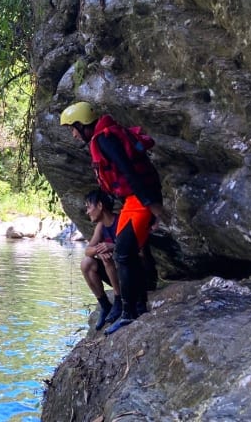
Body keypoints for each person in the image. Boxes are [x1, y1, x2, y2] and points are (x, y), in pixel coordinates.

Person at [60, 101, 168, 335]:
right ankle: (135, 307)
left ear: (82, 124)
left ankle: (130, 313)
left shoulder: (104, 139)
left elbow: (128, 169)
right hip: (134, 199)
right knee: (125, 252)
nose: (73, 134)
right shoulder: (103, 138)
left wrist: (152, 205)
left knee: (124, 253)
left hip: (140, 200)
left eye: (73, 128)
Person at [81, 189, 123, 330]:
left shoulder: (121, 221)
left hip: (133, 274)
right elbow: (88, 251)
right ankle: (105, 305)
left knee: (106, 258)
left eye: (89, 207)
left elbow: (139, 251)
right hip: (116, 274)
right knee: (86, 263)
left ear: (99, 205)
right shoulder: (101, 226)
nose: (87, 212)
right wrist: (101, 249)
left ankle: (119, 300)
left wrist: (112, 247)